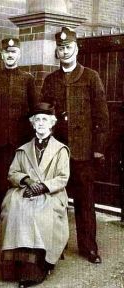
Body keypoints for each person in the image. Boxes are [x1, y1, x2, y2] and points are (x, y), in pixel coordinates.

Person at [40, 27, 109, 264]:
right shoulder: (50, 80)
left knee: (84, 202)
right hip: (58, 152)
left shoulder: (91, 77)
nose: (65, 51)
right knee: (54, 199)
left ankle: (89, 247)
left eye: (68, 47)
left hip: (83, 152)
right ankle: (53, 247)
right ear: (57, 52)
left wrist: (98, 149)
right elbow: (44, 115)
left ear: (76, 49)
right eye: (61, 48)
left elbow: (101, 116)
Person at [0, 103, 70, 288]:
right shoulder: (23, 149)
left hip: (50, 193)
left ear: (52, 123)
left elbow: (62, 178)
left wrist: (42, 187)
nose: (40, 123)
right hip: (25, 190)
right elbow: (12, 173)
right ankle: (15, 264)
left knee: (40, 212)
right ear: (32, 124)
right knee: (14, 206)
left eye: (44, 120)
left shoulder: (61, 150)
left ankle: (38, 266)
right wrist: (27, 181)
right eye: (37, 119)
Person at [0, 37, 37, 235]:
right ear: (2, 55)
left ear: (18, 54)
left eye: (13, 52)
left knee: (21, 182)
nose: (10, 55)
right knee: (1, 184)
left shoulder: (27, 79)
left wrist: (32, 141)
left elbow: (34, 111)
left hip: (20, 143)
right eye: (7, 52)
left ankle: (19, 227)